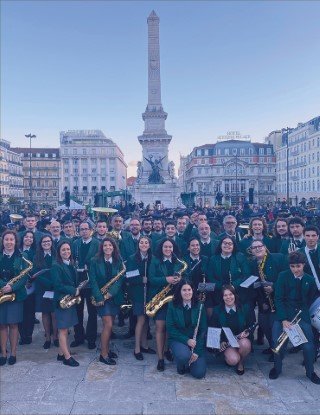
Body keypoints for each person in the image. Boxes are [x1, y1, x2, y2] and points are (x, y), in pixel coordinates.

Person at [269, 251, 320, 384]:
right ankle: (277, 368)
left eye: (298, 266)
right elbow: (278, 299)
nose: (295, 269)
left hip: (301, 315)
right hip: (283, 314)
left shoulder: (310, 280)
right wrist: (284, 319)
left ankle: (310, 372)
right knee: (277, 342)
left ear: (303, 265)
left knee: (309, 345)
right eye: (292, 266)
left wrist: (300, 315)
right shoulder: (282, 276)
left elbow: (308, 301)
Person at [148, 238, 185, 371]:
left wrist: (181, 279)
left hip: (175, 298)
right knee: (160, 327)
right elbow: (151, 279)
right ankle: (160, 358)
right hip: (161, 299)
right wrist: (166, 279)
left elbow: (186, 279)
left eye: (170, 247)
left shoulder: (179, 262)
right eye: (165, 247)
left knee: (171, 328)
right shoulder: (155, 260)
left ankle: (167, 350)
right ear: (161, 248)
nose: (168, 249)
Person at [249, 240, 288, 357]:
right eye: (254, 247)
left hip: (279, 299)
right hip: (263, 301)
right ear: (251, 251)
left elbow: (286, 278)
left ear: (265, 247)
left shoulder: (278, 258)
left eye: (260, 246)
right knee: (264, 324)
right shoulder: (252, 264)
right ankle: (272, 346)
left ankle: (279, 351)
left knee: (276, 327)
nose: (257, 249)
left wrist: (274, 287)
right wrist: (261, 302)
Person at [89, 237, 125, 365]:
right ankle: (103, 355)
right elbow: (92, 281)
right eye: (105, 245)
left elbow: (120, 279)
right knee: (108, 325)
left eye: (110, 245)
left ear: (114, 247)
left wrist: (110, 293)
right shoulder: (94, 261)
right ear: (101, 247)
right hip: (100, 298)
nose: (108, 247)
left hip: (113, 297)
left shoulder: (118, 260)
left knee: (110, 326)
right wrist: (99, 297)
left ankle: (107, 349)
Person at [0, 230, 30, 365]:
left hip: (15, 295)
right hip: (1, 293)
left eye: (11, 240)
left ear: (15, 241)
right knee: (1, 325)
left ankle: (13, 353)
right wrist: (4, 286)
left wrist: (12, 287)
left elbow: (24, 277)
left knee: (13, 325)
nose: (9, 242)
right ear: (3, 241)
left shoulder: (22, 256)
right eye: (6, 239)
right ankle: (3, 353)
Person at [210, 284, 255, 375]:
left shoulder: (245, 308)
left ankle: (241, 362)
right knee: (233, 360)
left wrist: (247, 332)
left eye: (230, 294)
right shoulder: (217, 310)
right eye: (225, 295)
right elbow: (213, 329)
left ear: (235, 295)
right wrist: (221, 341)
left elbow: (252, 324)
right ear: (222, 297)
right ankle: (232, 356)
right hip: (227, 343)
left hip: (241, 340)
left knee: (245, 344)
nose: (228, 297)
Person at [166, 279, 207, 378]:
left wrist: (197, 351)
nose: (187, 292)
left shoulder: (200, 305)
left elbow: (203, 330)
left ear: (193, 290)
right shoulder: (172, 305)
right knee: (183, 356)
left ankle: (190, 360)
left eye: (189, 289)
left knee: (199, 374)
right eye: (184, 290)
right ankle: (182, 363)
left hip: (195, 342)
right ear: (179, 292)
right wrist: (187, 340)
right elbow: (170, 328)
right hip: (178, 339)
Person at [125, 236, 156, 360]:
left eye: (146, 242)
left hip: (149, 293)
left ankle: (145, 345)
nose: (144, 244)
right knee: (141, 320)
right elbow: (128, 275)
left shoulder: (152, 258)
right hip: (138, 293)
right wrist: (140, 279)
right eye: (141, 242)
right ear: (138, 245)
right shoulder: (132, 258)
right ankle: (137, 348)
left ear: (149, 245)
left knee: (147, 321)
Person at [71, 221, 100, 349]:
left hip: (91, 282)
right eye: (81, 229)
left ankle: (91, 338)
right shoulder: (75, 243)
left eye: (86, 229)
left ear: (91, 230)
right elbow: (72, 259)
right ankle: (79, 337)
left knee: (92, 313)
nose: (84, 231)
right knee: (77, 312)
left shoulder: (97, 243)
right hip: (78, 283)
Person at [206, 236, 250, 317]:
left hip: (237, 294)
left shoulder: (240, 257)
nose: (227, 245)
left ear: (234, 246)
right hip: (219, 294)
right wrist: (222, 286)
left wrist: (233, 286)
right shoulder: (213, 259)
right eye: (225, 243)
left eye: (230, 243)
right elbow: (210, 277)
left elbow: (246, 275)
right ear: (220, 245)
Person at [53, 241, 80, 367]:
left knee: (66, 329)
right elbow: (57, 285)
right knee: (63, 330)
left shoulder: (71, 263)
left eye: (68, 249)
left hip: (69, 300)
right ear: (59, 252)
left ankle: (61, 353)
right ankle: (67, 357)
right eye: (63, 250)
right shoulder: (56, 266)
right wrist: (73, 290)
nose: (66, 252)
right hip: (62, 300)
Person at [34, 234, 59, 349]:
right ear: (41, 244)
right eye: (44, 242)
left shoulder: (56, 255)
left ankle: (56, 337)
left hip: (55, 287)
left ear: (51, 242)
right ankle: (48, 338)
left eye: (48, 241)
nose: (46, 243)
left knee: (54, 314)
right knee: (45, 313)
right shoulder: (37, 256)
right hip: (42, 288)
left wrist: (54, 284)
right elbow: (36, 274)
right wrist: (47, 283)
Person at [18, 231, 36, 345]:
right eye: (26, 236)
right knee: (20, 312)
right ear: (22, 238)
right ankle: (22, 335)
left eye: (31, 237)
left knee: (30, 312)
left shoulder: (35, 252)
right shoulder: (17, 252)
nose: (28, 239)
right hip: (18, 286)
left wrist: (31, 279)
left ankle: (28, 335)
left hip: (31, 285)